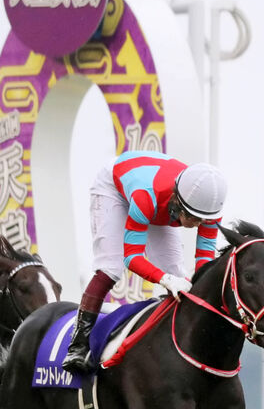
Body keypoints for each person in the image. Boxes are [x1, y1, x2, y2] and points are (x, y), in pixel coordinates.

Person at [62, 152, 227, 375]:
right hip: (115, 188)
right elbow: (132, 257)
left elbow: (204, 264)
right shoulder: (145, 197)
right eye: (192, 217)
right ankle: (78, 343)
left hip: (159, 194)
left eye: (202, 220)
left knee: (178, 273)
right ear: (178, 200)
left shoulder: (210, 211)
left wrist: (187, 283)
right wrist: (166, 280)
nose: (196, 224)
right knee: (110, 268)